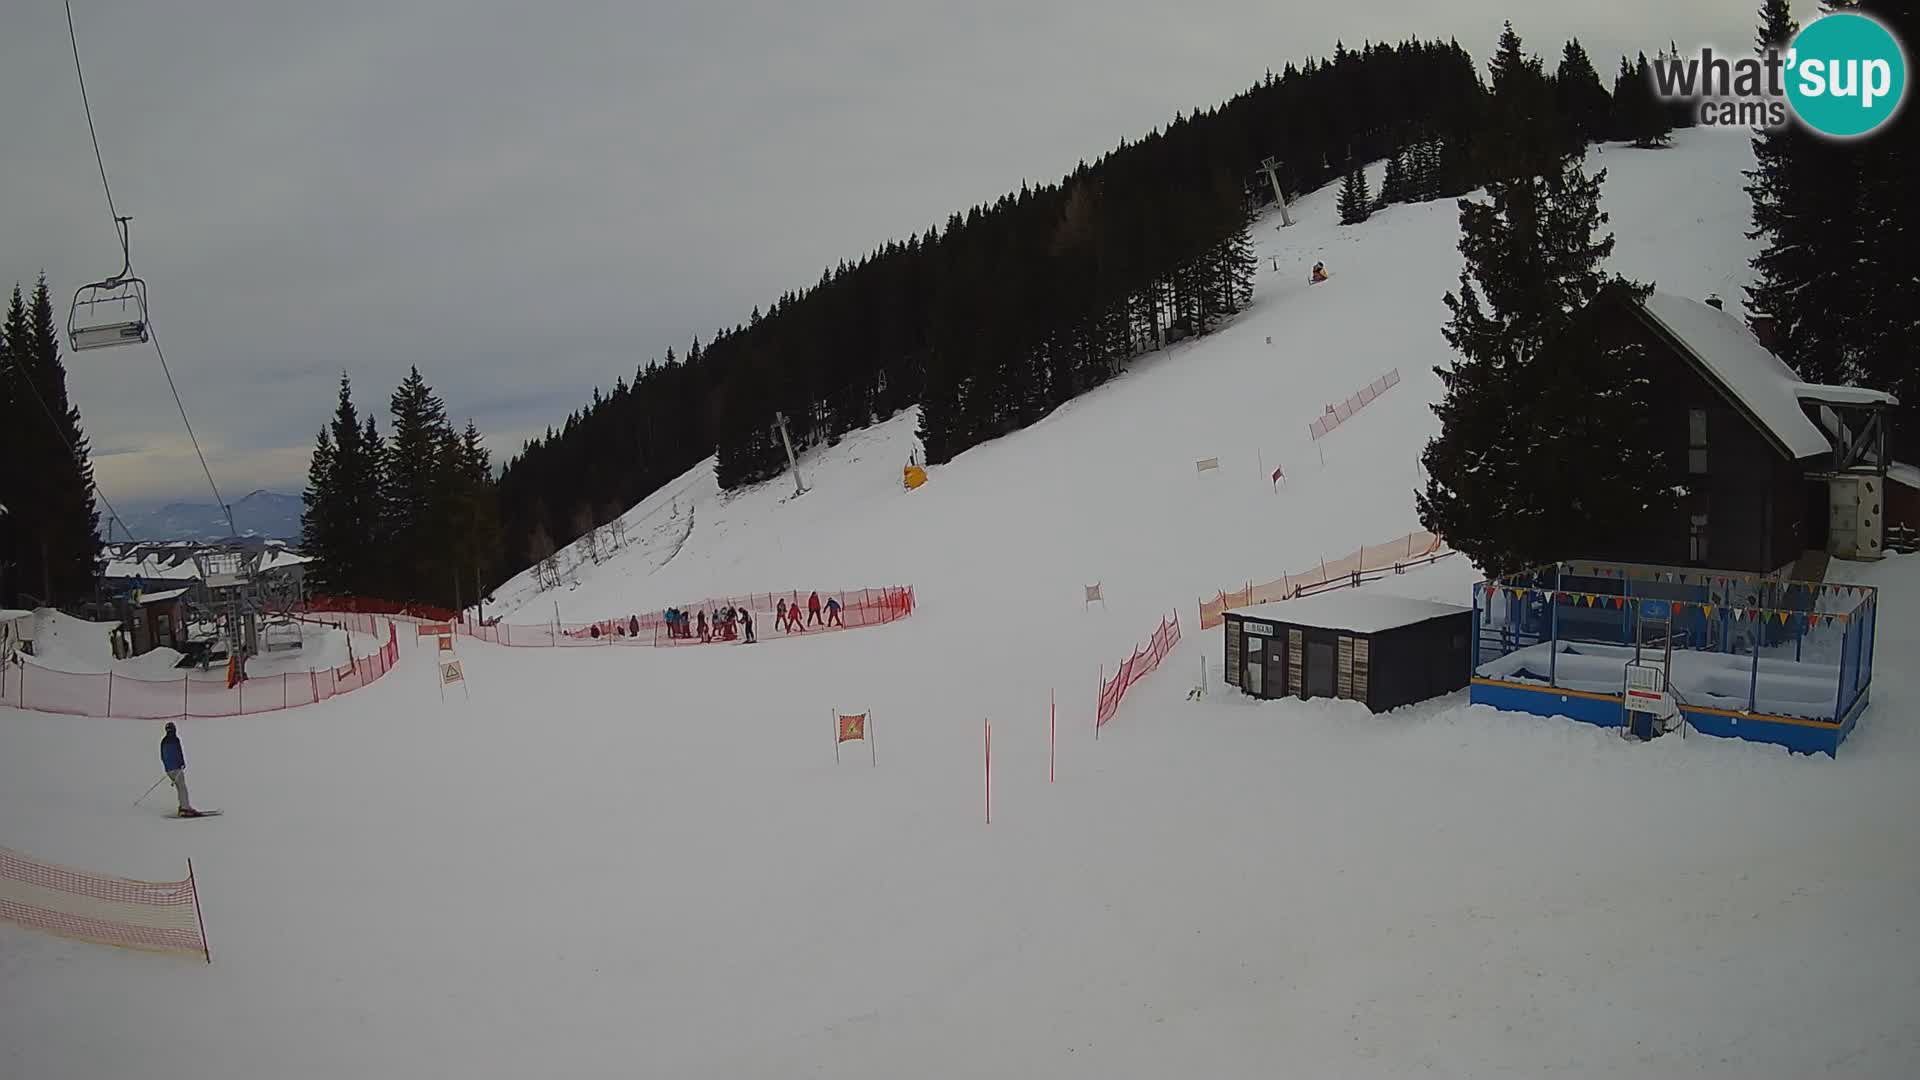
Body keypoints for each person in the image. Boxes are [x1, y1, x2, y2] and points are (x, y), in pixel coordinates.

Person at [159, 722, 197, 816]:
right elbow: (178, 752)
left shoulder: (163, 741)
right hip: (176, 768)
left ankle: (183, 806)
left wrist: (167, 768)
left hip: (169, 770)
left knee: (179, 787)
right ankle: (185, 808)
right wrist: (182, 763)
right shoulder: (175, 740)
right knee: (182, 788)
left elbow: (163, 756)